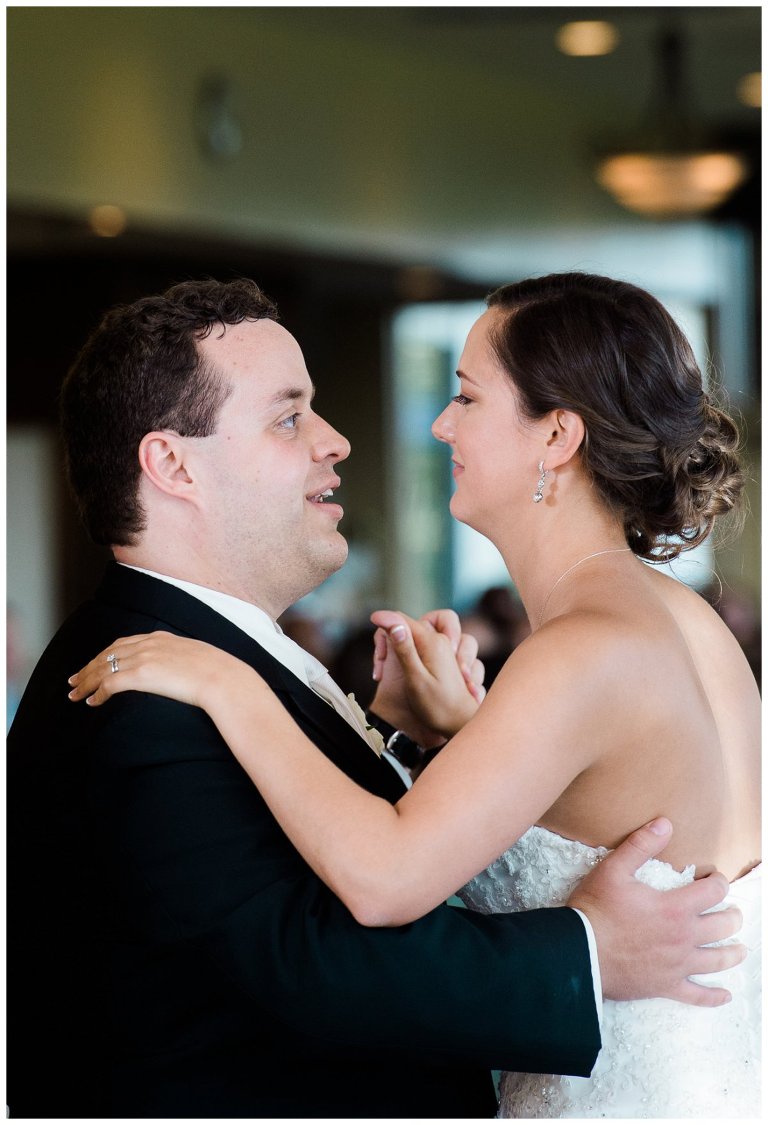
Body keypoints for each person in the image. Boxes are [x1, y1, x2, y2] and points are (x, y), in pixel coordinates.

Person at [8, 278, 745, 1120]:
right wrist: (585, 951)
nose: (341, 439)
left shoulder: (206, 664)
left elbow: (371, 878)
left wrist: (271, 698)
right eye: (289, 418)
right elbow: (312, 963)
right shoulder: (134, 686)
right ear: (173, 465)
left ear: (557, 435)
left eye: (466, 397)